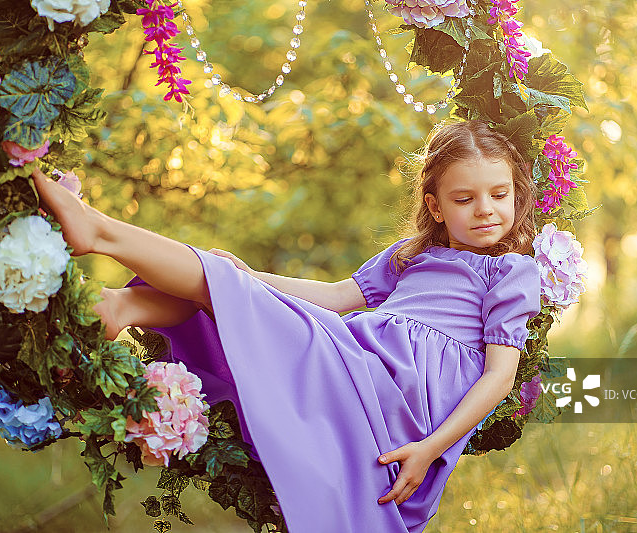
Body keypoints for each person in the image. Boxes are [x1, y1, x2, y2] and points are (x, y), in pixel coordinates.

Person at [31, 119, 541, 533]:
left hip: (393, 401)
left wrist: (431, 449)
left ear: (516, 195)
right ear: (434, 205)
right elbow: (338, 297)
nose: (486, 210)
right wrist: (252, 276)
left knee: (225, 291)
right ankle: (121, 306)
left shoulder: (512, 273)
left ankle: (99, 237)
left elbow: (498, 378)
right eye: (464, 199)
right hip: (356, 359)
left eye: (499, 194)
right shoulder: (412, 255)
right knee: (228, 286)